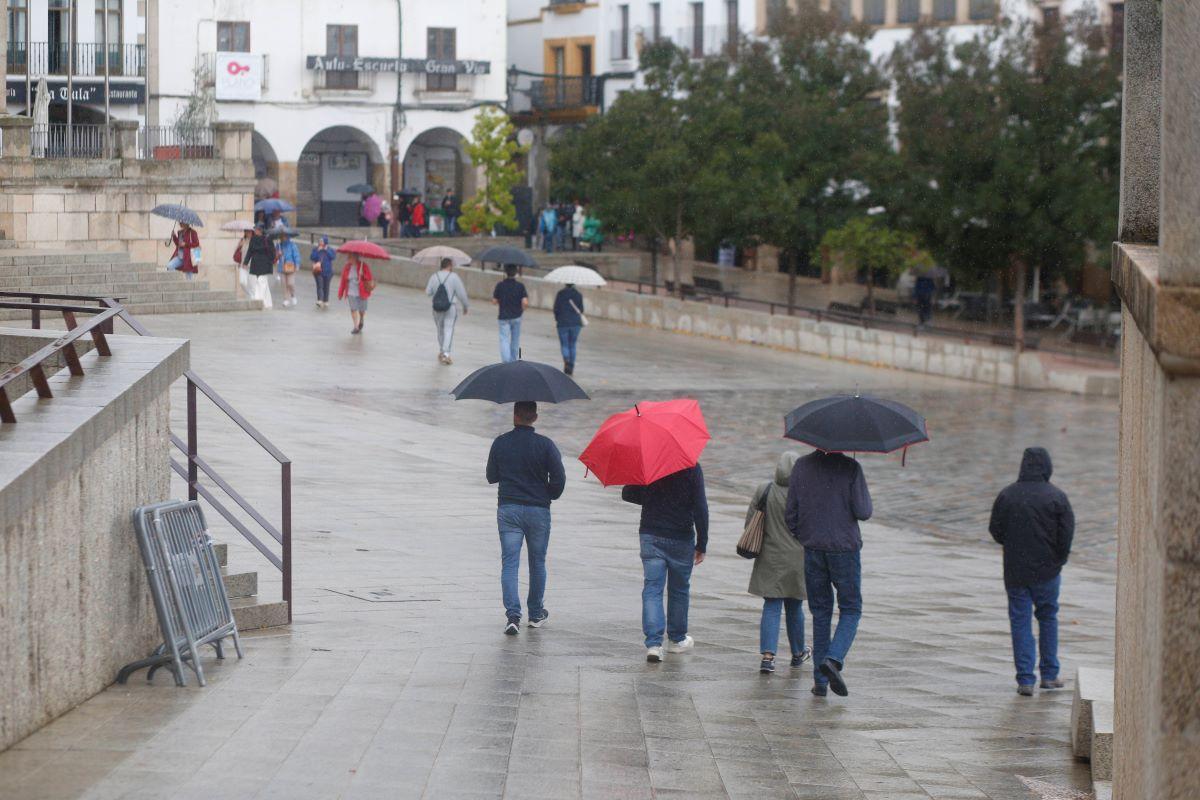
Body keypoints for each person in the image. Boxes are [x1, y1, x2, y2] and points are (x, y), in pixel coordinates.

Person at [785, 449, 873, 697]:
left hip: (813, 548)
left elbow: (790, 514)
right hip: (845, 548)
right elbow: (864, 511)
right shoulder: (851, 468)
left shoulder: (801, 466)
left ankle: (820, 683)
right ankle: (833, 659)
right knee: (851, 608)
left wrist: (805, 536)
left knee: (820, 612)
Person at [989, 447, 1075, 696]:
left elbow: (996, 530)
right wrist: (1059, 559)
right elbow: (1066, 533)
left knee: (1020, 620)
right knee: (1048, 617)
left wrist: (1013, 545)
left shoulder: (1007, 495)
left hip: (1015, 570)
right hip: (1048, 571)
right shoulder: (1057, 497)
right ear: (1047, 467)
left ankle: (1025, 679)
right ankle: (1049, 675)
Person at [485, 401, 566, 636]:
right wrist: (547, 494)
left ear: (514, 415)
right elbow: (559, 480)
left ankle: (513, 616)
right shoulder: (546, 445)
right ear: (535, 417)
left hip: (509, 509)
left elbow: (491, 476)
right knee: (537, 562)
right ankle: (536, 612)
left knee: (509, 563)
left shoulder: (501, 442)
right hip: (538, 510)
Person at [622, 464, 709, 663]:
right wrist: (702, 543)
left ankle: (653, 644)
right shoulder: (692, 467)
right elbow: (700, 506)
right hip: (681, 537)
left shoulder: (649, 463)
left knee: (652, 588)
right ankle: (677, 640)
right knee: (679, 590)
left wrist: (652, 495)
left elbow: (628, 493)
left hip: (651, 534)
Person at [748, 452, 811, 674]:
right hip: (798, 559)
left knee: (771, 606)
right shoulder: (806, 494)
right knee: (795, 606)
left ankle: (768, 657)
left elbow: (750, 523)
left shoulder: (764, 490)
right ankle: (797, 653)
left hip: (771, 558)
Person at [425, 257, 470, 365]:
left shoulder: (434, 276)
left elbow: (428, 292)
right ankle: (446, 353)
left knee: (440, 329)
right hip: (451, 307)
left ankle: (442, 351)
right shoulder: (454, 277)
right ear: (449, 265)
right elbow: (461, 293)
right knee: (448, 329)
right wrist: (465, 306)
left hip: (436, 308)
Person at [492, 265, 528, 363]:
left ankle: (506, 361)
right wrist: (521, 311)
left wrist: (501, 301)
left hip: (503, 316)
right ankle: (514, 360)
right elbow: (525, 302)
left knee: (504, 339)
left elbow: (494, 301)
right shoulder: (520, 286)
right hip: (517, 316)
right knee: (515, 340)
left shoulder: (500, 285)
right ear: (516, 273)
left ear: (505, 272)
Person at [338, 252, 375, 335]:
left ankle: (361, 318)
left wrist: (363, 275)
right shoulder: (347, 267)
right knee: (353, 308)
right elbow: (343, 281)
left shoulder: (363, 266)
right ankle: (356, 327)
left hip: (362, 291)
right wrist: (341, 292)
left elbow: (370, 278)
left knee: (362, 310)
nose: (348, 259)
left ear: (355, 257)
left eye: (350, 257)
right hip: (351, 291)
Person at [241, 223, 275, 310]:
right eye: (255, 229)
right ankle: (268, 303)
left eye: (257, 229)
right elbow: (250, 251)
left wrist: (271, 261)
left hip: (265, 263)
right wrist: (245, 262)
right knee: (260, 282)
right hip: (255, 263)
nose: (255, 230)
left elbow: (272, 251)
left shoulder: (267, 239)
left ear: (261, 230)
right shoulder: (253, 239)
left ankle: (259, 301)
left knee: (261, 281)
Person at [552, 283, 584, 375]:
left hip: (563, 323)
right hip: (576, 324)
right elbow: (581, 310)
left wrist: (558, 319)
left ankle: (566, 362)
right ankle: (572, 365)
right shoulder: (578, 295)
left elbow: (556, 309)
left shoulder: (560, 294)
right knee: (572, 344)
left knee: (564, 345)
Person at [274, 228, 301, 308]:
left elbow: (296, 255)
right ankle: (286, 299)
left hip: (290, 266)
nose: (283, 238)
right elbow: (275, 257)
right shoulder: (278, 246)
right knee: (284, 284)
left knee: (290, 283)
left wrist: (297, 264)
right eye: (281, 236)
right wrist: (278, 254)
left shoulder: (292, 245)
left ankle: (293, 295)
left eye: (284, 236)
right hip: (281, 267)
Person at [309, 235, 337, 309]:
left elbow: (333, 257)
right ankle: (320, 300)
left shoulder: (330, 249)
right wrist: (318, 250)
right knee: (320, 285)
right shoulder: (316, 249)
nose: (320, 242)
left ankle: (326, 300)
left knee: (326, 286)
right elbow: (312, 257)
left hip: (328, 271)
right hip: (318, 271)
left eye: (322, 241)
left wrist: (326, 250)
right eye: (319, 241)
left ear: (325, 241)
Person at [233, 228, 252, 295]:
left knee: (251, 283)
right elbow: (237, 252)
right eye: (246, 231)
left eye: (249, 232)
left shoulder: (254, 241)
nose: (247, 233)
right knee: (242, 282)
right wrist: (239, 245)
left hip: (251, 265)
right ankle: (251, 294)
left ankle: (253, 296)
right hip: (242, 264)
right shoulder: (242, 240)